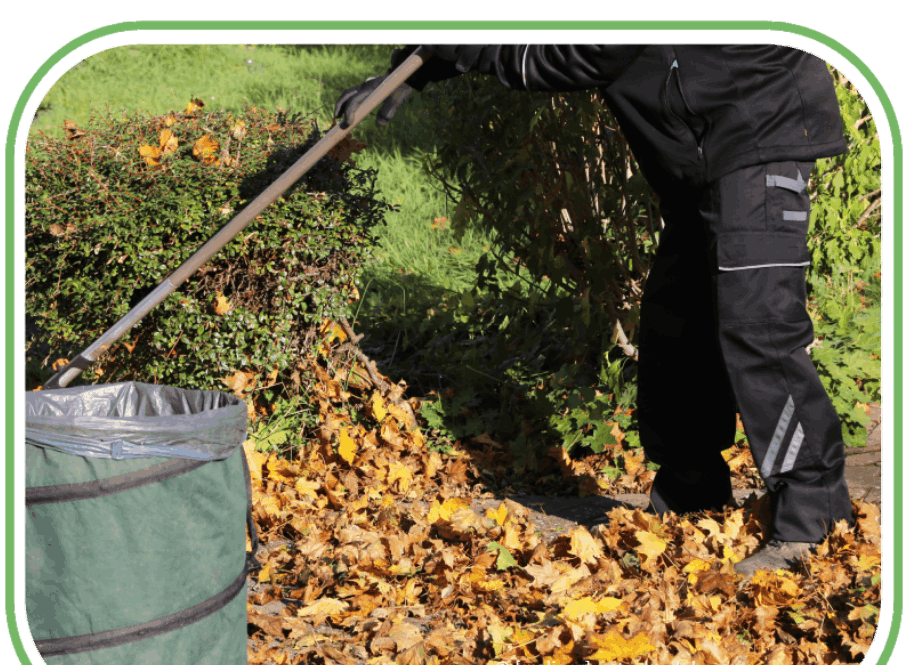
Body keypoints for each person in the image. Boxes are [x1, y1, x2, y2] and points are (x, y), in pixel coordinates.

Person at [334, 43, 854, 577]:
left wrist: (458, 47)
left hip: (757, 126)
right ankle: (691, 499)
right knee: (675, 325)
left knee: (760, 326)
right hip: (693, 160)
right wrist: (418, 67)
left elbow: (586, 53)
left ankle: (815, 523)